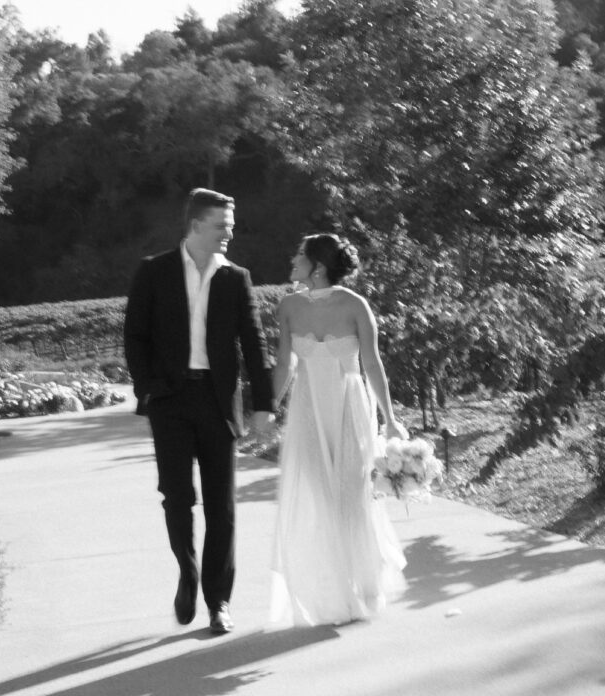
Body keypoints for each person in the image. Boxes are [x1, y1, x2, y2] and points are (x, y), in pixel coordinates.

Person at [124, 188, 275, 634]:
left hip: (216, 401)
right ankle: (188, 573)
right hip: (169, 402)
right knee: (177, 498)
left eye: (230, 225)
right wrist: (148, 390)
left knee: (222, 507)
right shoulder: (155, 271)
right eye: (221, 225)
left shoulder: (236, 277)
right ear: (195, 226)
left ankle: (219, 602)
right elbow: (135, 336)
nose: (230, 232)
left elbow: (254, 342)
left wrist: (264, 404)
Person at [271, 233, 407, 627]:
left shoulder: (355, 305)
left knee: (353, 496)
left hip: (351, 407)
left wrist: (391, 417)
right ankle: (334, 592)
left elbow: (373, 364)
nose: (293, 259)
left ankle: (363, 584)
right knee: (319, 497)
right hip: (308, 409)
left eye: (300, 254)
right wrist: (268, 409)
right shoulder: (289, 306)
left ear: (318, 266)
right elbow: (285, 365)